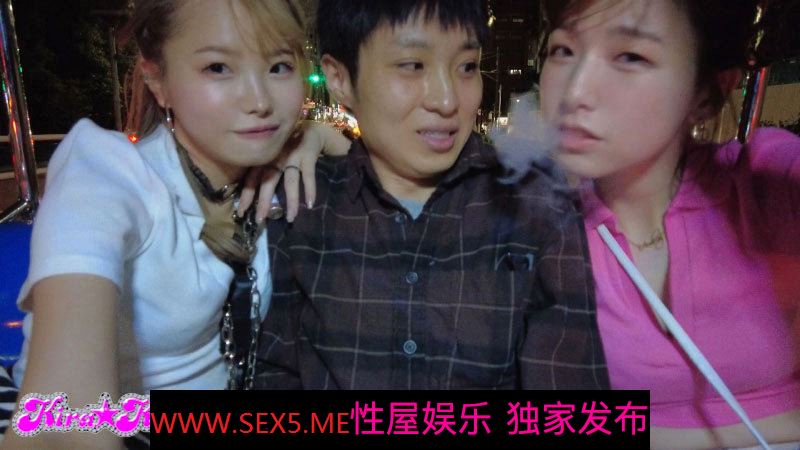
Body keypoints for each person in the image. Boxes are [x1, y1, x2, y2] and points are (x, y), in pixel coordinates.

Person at [1, 0, 348, 448]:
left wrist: (316, 135)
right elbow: (63, 425)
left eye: (278, 66)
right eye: (218, 68)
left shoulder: (270, 180)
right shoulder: (108, 173)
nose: (259, 101)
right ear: (158, 80)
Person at [254, 0, 609, 390]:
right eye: (413, 65)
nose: (447, 101)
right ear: (340, 79)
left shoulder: (536, 208)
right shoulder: (303, 204)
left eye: (467, 67)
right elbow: (274, 370)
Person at [537, 0, 800, 448]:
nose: (576, 90)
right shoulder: (538, 230)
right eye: (563, 50)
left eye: (630, 56)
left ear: (706, 93)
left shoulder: (766, 182)